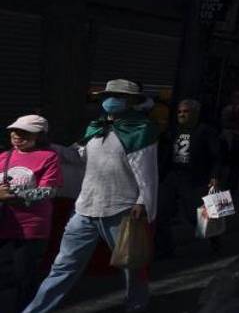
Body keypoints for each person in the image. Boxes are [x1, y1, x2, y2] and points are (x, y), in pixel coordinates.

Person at [25, 79, 159, 313]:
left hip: (122, 209)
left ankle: (136, 305)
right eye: (107, 95)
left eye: (117, 96)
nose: (110, 101)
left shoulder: (141, 130)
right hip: (85, 207)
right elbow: (76, 157)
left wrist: (142, 202)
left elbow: (147, 171)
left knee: (131, 264)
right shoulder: (94, 129)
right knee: (63, 265)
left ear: (131, 102)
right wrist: (49, 146)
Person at [0, 115, 62, 311]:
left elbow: (49, 191)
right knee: (4, 275)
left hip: (31, 227)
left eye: (24, 132)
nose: (17, 135)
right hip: (4, 224)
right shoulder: (3, 156)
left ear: (39, 136)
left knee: (24, 276)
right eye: (15, 131)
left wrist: (12, 194)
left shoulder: (49, 157)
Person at [156, 98, 221, 258]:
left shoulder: (205, 131)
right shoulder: (173, 131)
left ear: (195, 113)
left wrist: (214, 176)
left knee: (196, 215)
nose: (181, 115)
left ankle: (214, 238)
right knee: (161, 212)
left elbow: (217, 156)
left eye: (186, 111)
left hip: (195, 178)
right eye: (179, 112)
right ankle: (165, 248)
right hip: (172, 176)